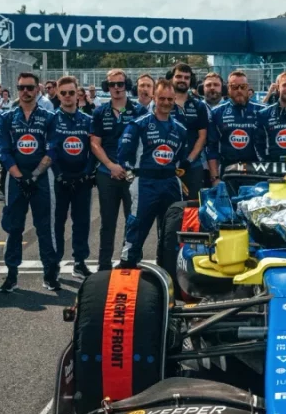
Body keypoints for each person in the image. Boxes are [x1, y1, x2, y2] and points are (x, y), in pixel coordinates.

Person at [0, 71, 59, 293]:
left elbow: (52, 148)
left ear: (37, 89)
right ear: (17, 89)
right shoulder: (7, 117)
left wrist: (34, 176)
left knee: (45, 227)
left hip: (41, 178)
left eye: (30, 87)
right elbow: (3, 151)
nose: (25, 91)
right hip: (16, 178)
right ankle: (11, 275)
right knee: (14, 227)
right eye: (22, 87)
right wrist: (19, 177)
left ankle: (50, 275)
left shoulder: (49, 117)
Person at [117, 78, 189, 268]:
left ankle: (168, 271)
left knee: (171, 232)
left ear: (174, 99)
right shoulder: (138, 125)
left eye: (169, 99)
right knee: (136, 226)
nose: (166, 103)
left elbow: (181, 158)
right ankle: (127, 266)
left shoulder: (180, 130)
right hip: (145, 183)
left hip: (170, 184)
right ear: (154, 98)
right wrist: (131, 175)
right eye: (162, 98)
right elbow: (123, 153)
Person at [90, 69, 146, 272]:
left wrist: (128, 167)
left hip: (132, 174)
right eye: (112, 84)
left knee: (132, 221)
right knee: (107, 222)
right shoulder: (99, 112)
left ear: (127, 85)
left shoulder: (139, 111)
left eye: (120, 84)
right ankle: (103, 265)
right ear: (106, 87)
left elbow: (143, 142)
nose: (116, 88)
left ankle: (127, 262)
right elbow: (95, 143)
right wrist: (111, 165)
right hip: (107, 173)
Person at [47, 75, 95, 278]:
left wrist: (86, 173)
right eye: (63, 93)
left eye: (71, 92)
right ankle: (54, 262)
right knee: (57, 222)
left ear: (78, 95)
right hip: (59, 180)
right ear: (58, 94)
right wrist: (58, 174)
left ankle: (79, 261)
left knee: (82, 221)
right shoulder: (51, 120)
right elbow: (48, 149)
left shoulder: (88, 120)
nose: (67, 96)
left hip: (82, 179)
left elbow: (94, 150)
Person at [208, 69, 264, 184]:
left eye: (242, 87)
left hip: (257, 170)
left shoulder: (262, 110)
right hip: (228, 170)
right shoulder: (217, 112)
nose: (239, 90)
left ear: (248, 88)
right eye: (234, 87)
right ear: (228, 89)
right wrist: (215, 178)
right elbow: (211, 147)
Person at [167, 62, 210, 198]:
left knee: (193, 209)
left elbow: (202, 136)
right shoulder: (163, 103)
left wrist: (189, 160)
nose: (182, 80)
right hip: (167, 164)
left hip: (193, 164)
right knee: (167, 208)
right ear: (171, 78)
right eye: (179, 76)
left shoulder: (199, 105)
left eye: (186, 77)